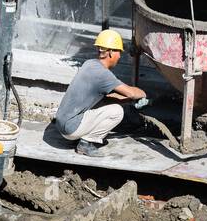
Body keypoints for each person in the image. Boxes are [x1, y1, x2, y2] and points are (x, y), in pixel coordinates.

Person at [54, 29, 146, 157]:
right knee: (117, 112)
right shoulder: (103, 75)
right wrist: (143, 94)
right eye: (119, 52)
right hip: (71, 129)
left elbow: (104, 99)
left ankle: (79, 136)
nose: (119, 56)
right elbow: (131, 93)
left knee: (110, 106)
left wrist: (127, 101)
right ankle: (85, 144)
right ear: (110, 53)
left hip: (62, 124)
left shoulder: (89, 64)